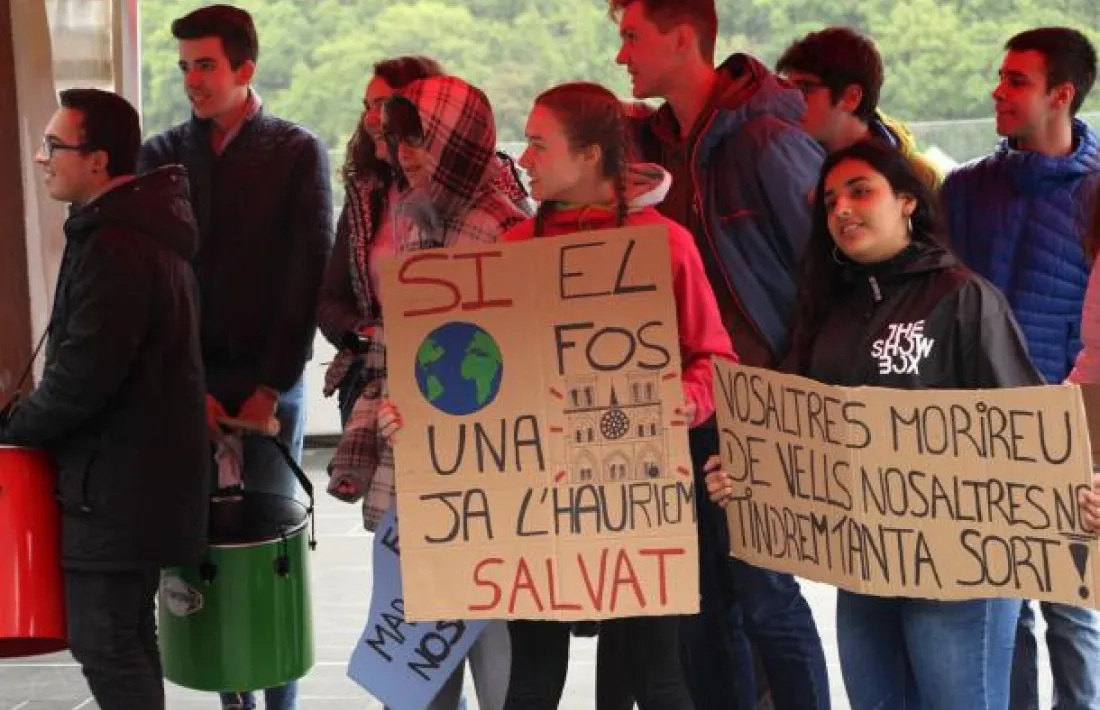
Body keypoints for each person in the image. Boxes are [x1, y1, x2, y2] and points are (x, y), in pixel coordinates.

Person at [707, 139, 1041, 710]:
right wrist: (749, 469)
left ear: (908, 200)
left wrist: (1075, 491)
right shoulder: (828, 312)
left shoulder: (965, 298)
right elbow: (795, 428)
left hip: (961, 569)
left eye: (860, 190)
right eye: (830, 200)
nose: (841, 209)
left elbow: (1027, 427)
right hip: (864, 568)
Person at [485, 80, 735, 710]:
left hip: (639, 493)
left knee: (654, 675)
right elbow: (481, 379)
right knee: (533, 680)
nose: (524, 159)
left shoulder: (666, 245)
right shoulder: (513, 249)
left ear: (591, 155)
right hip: (537, 495)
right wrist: (425, 411)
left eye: (539, 145)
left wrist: (689, 399)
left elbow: (715, 359)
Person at [608, 1, 829, 708]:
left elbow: (821, 272)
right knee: (702, 605)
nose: (622, 56)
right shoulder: (640, 143)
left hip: (760, 395)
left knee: (764, 593)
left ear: (682, 39)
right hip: (681, 404)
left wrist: (795, 391)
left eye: (632, 37)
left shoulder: (767, 142)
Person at [137, 5, 334, 709]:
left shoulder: (295, 150)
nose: (192, 79)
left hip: (266, 387)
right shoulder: (160, 154)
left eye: (206, 65)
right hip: (185, 385)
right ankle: (229, 697)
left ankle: (278, 701)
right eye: (184, 65)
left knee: (269, 550)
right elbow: (152, 279)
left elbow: (307, 272)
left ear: (244, 68)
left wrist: (270, 384)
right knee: (199, 548)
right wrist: (184, 385)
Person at [0, 88, 208, 710]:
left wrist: (15, 425)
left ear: (98, 161)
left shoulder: (116, 245)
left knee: (107, 642)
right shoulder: (131, 232)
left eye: (55, 146)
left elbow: (83, 379)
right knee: (124, 637)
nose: (42, 158)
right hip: (134, 483)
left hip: (117, 487)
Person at [357, 73, 530, 710]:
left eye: (421, 139)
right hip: (423, 467)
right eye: (398, 139)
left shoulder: (504, 229)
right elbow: (395, 338)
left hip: (488, 475)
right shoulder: (410, 221)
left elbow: (522, 361)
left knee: (495, 645)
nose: (404, 154)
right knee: (423, 642)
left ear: (461, 143)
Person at [939, 27, 1100, 710]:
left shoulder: (1099, 193)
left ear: (1061, 94)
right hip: (981, 426)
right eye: (1000, 78)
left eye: (1016, 81)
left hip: (1075, 424)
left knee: (1072, 600)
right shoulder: (965, 189)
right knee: (1002, 605)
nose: (997, 92)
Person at [775, 26, 942, 189]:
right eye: (787, 88)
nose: (790, 100)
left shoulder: (921, 179)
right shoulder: (790, 168)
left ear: (851, 98)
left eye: (805, 88)